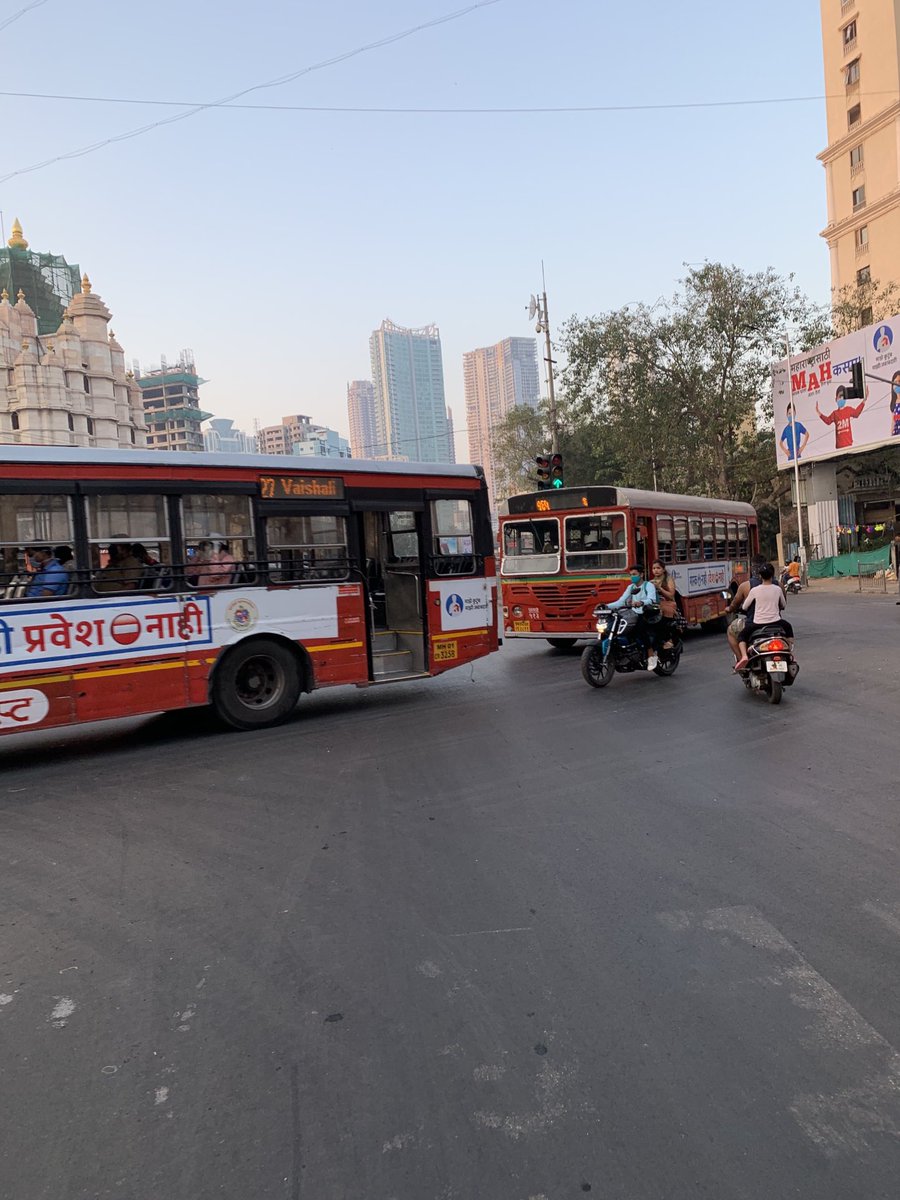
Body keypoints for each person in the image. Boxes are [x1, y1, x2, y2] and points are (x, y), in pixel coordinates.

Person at [734, 563, 794, 671]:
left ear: (760, 576)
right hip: (777, 622)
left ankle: (744, 656)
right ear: (773, 575)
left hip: (757, 624)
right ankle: (789, 652)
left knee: (742, 636)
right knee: (788, 628)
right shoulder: (778, 589)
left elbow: (745, 606)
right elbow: (783, 605)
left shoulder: (755, 590)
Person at [609, 563, 659, 670]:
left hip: (647, 613)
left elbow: (651, 600)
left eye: (634, 574)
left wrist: (641, 602)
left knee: (641, 630)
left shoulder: (648, 585)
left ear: (641, 574)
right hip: (634, 613)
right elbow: (620, 602)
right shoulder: (630, 587)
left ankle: (651, 655)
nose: (632, 577)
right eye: (631, 575)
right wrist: (605, 606)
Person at [725, 555, 766, 664]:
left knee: (731, 631)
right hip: (776, 623)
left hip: (754, 623)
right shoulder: (778, 585)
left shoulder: (746, 586)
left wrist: (729, 609)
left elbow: (740, 606)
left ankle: (743, 660)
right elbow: (783, 605)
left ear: (752, 568)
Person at [816, 385, 866, 450]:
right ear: (836, 399)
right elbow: (828, 421)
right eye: (840, 396)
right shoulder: (835, 413)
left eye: (843, 396)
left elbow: (856, 413)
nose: (841, 399)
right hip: (839, 447)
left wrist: (864, 401)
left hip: (849, 445)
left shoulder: (848, 409)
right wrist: (818, 412)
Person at [650, 558, 677, 650]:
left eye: (658, 568)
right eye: (654, 568)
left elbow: (671, 595)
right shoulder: (652, 581)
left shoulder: (668, 579)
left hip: (669, 604)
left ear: (663, 569)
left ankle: (669, 640)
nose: (656, 570)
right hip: (657, 604)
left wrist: (659, 588)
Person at [890, 371, 900, 437]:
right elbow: (893, 421)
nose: (897, 384)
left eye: (899, 382)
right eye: (895, 382)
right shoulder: (895, 402)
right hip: (896, 433)